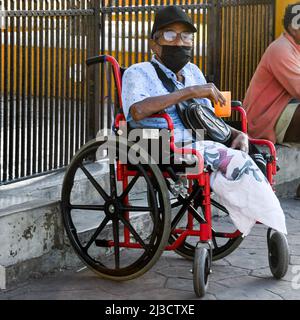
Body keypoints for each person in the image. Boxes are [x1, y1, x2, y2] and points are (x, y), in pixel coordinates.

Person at [121, 6, 287, 236]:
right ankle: (269, 218)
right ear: (154, 43)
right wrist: (189, 92)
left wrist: (235, 133)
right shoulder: (137, 73)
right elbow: (137, 111)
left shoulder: (193, 72)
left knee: (259, 151)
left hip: (199, 143)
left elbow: (207, 119)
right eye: (170, 35)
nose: (179, 43)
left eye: (186, 36)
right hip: (158, 146)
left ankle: (268, 219)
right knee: (234, 160)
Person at [243, 3, 300, 146]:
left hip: (282, 112)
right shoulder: (281, 49)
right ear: (294, 27)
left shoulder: (295, 48)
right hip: (263, 123)